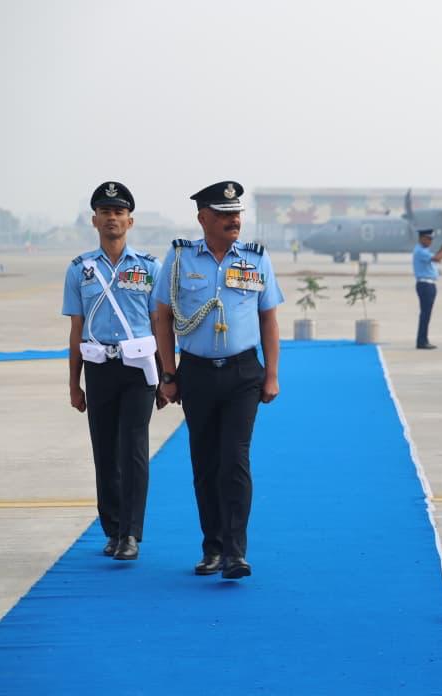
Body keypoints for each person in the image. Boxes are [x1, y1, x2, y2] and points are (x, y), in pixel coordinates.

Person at [152, 181, 283, 580]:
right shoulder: (179, 259)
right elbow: (162, 317)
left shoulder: (257, 259)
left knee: (235, 460)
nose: (234, 221)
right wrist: (168, 373)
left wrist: (272, 374)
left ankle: (235, 552)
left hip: (244, 373)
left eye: (237, 214)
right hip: (197, 373)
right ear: (203, 218)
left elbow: (268, 318)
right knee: (206, 464)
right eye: (225, 215)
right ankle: (212, 548)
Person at [62, 181, 163, 562]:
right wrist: (74, 384)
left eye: (119, 212)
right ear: (94, 220)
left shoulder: (149, 267)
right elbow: (75, 328)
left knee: (133, 449)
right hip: (98, 368)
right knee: (104, 450)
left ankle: (132, 533)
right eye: (105, 212)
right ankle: (113, 529)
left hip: (139, 368)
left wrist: (168, 376)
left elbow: (159, 322)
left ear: (130, 221)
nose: (112, 218)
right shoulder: (80, 270)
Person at [412, 228, 442, 349]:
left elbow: (435, 256)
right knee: (425, 314)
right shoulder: (420, 251)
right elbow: (437, 259)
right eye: (428, 238)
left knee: (426, 314)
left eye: (431, 239)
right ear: (421, 238)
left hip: (428, 284)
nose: (430, 241)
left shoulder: (423, 250)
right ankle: (421, 341)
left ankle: (423, 339)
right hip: (426, 285)